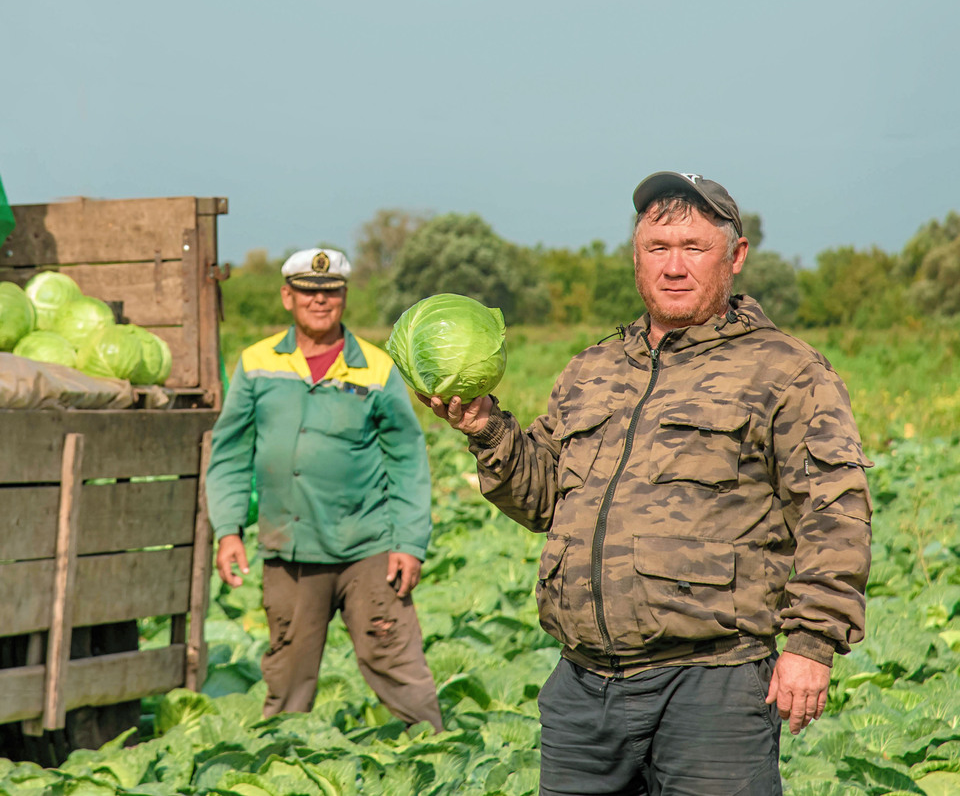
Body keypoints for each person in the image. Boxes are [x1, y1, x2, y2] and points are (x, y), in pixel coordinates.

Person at [428, 172, 872, 794]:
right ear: (636, 257)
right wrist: (486, 429)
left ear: (735, 257)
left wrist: (812, 641)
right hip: (583, 694)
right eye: (658, 247)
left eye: (694, 247)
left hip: (712, 688)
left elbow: (836, 512)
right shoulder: (594, 368)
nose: (674, 266)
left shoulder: (786, 371)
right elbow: (540, 498)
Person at [207, 249, 443, 730]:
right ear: (287, 297)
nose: (321, 300)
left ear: (344, 297)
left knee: (397, 666)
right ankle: (283, 762)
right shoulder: (256, 364)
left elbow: (407, 458)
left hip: (369, 550)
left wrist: (410, 543)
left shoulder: (376, 369)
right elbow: (230, 453)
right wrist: (227, 529)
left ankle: (434, 748)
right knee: (288, 678)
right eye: (309, 291)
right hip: (291, 552)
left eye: (331, 291)